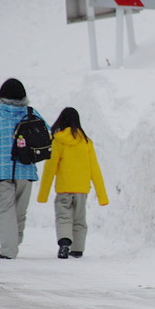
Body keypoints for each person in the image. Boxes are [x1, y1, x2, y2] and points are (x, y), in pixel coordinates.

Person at [0, 78, 48, 259]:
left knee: (6, 210)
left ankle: (8, 250)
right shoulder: (30, 112)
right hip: (27, 170)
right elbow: (47, 132)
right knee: (20, 212)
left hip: (3, 171)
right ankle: (14, 243)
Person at [37, 107, 108, 259]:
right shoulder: (87, 143)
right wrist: (102, 196)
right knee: (79, 219)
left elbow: (50, 168)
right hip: (82, 189)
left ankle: (64, 244)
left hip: (64, 188)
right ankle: (77, 249)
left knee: (64, 217)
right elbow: (95, 169)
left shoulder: (58, 140)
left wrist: (43, 194)